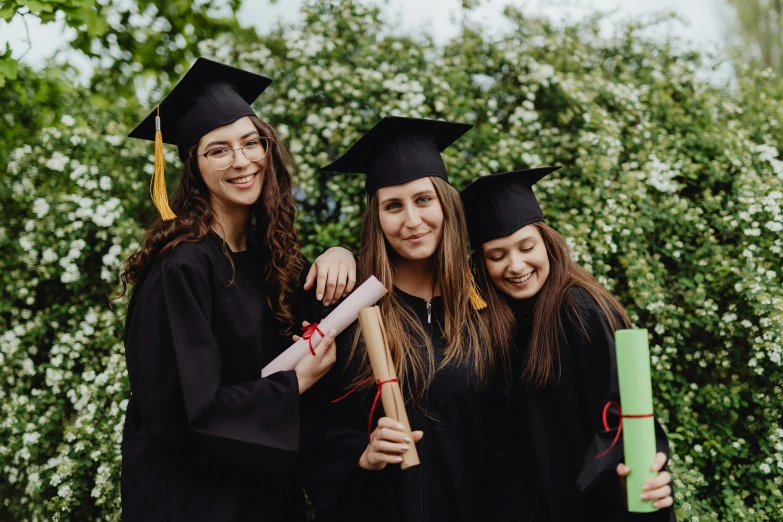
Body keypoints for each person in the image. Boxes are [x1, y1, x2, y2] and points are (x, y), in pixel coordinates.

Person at [119, 58, 355, 522]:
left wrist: (341, 253)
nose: (243, 161)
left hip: (264, 499)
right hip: (192, 503)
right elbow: (188, 410)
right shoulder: (181, 269)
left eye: (251, 143)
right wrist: (298, 381)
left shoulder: (276, 260)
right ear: (193, 167)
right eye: (219, 150)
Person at [301, 116, 512, 522]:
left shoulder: (486, 306)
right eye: (393, 206)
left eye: (423, 199)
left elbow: (512, 430)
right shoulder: (344, 307)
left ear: (446, 204)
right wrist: (360, 454)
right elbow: (307, 420)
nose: (412, 221)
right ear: (376, 217)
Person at [461, 166, 676, 522]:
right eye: (496, 256)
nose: (515, 266)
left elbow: (617, 414)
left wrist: (633, 471)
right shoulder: (500, 319)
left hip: (584, 505)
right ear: (481, 265)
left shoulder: (579, 308)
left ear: (548, 243)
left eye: (527, 247)